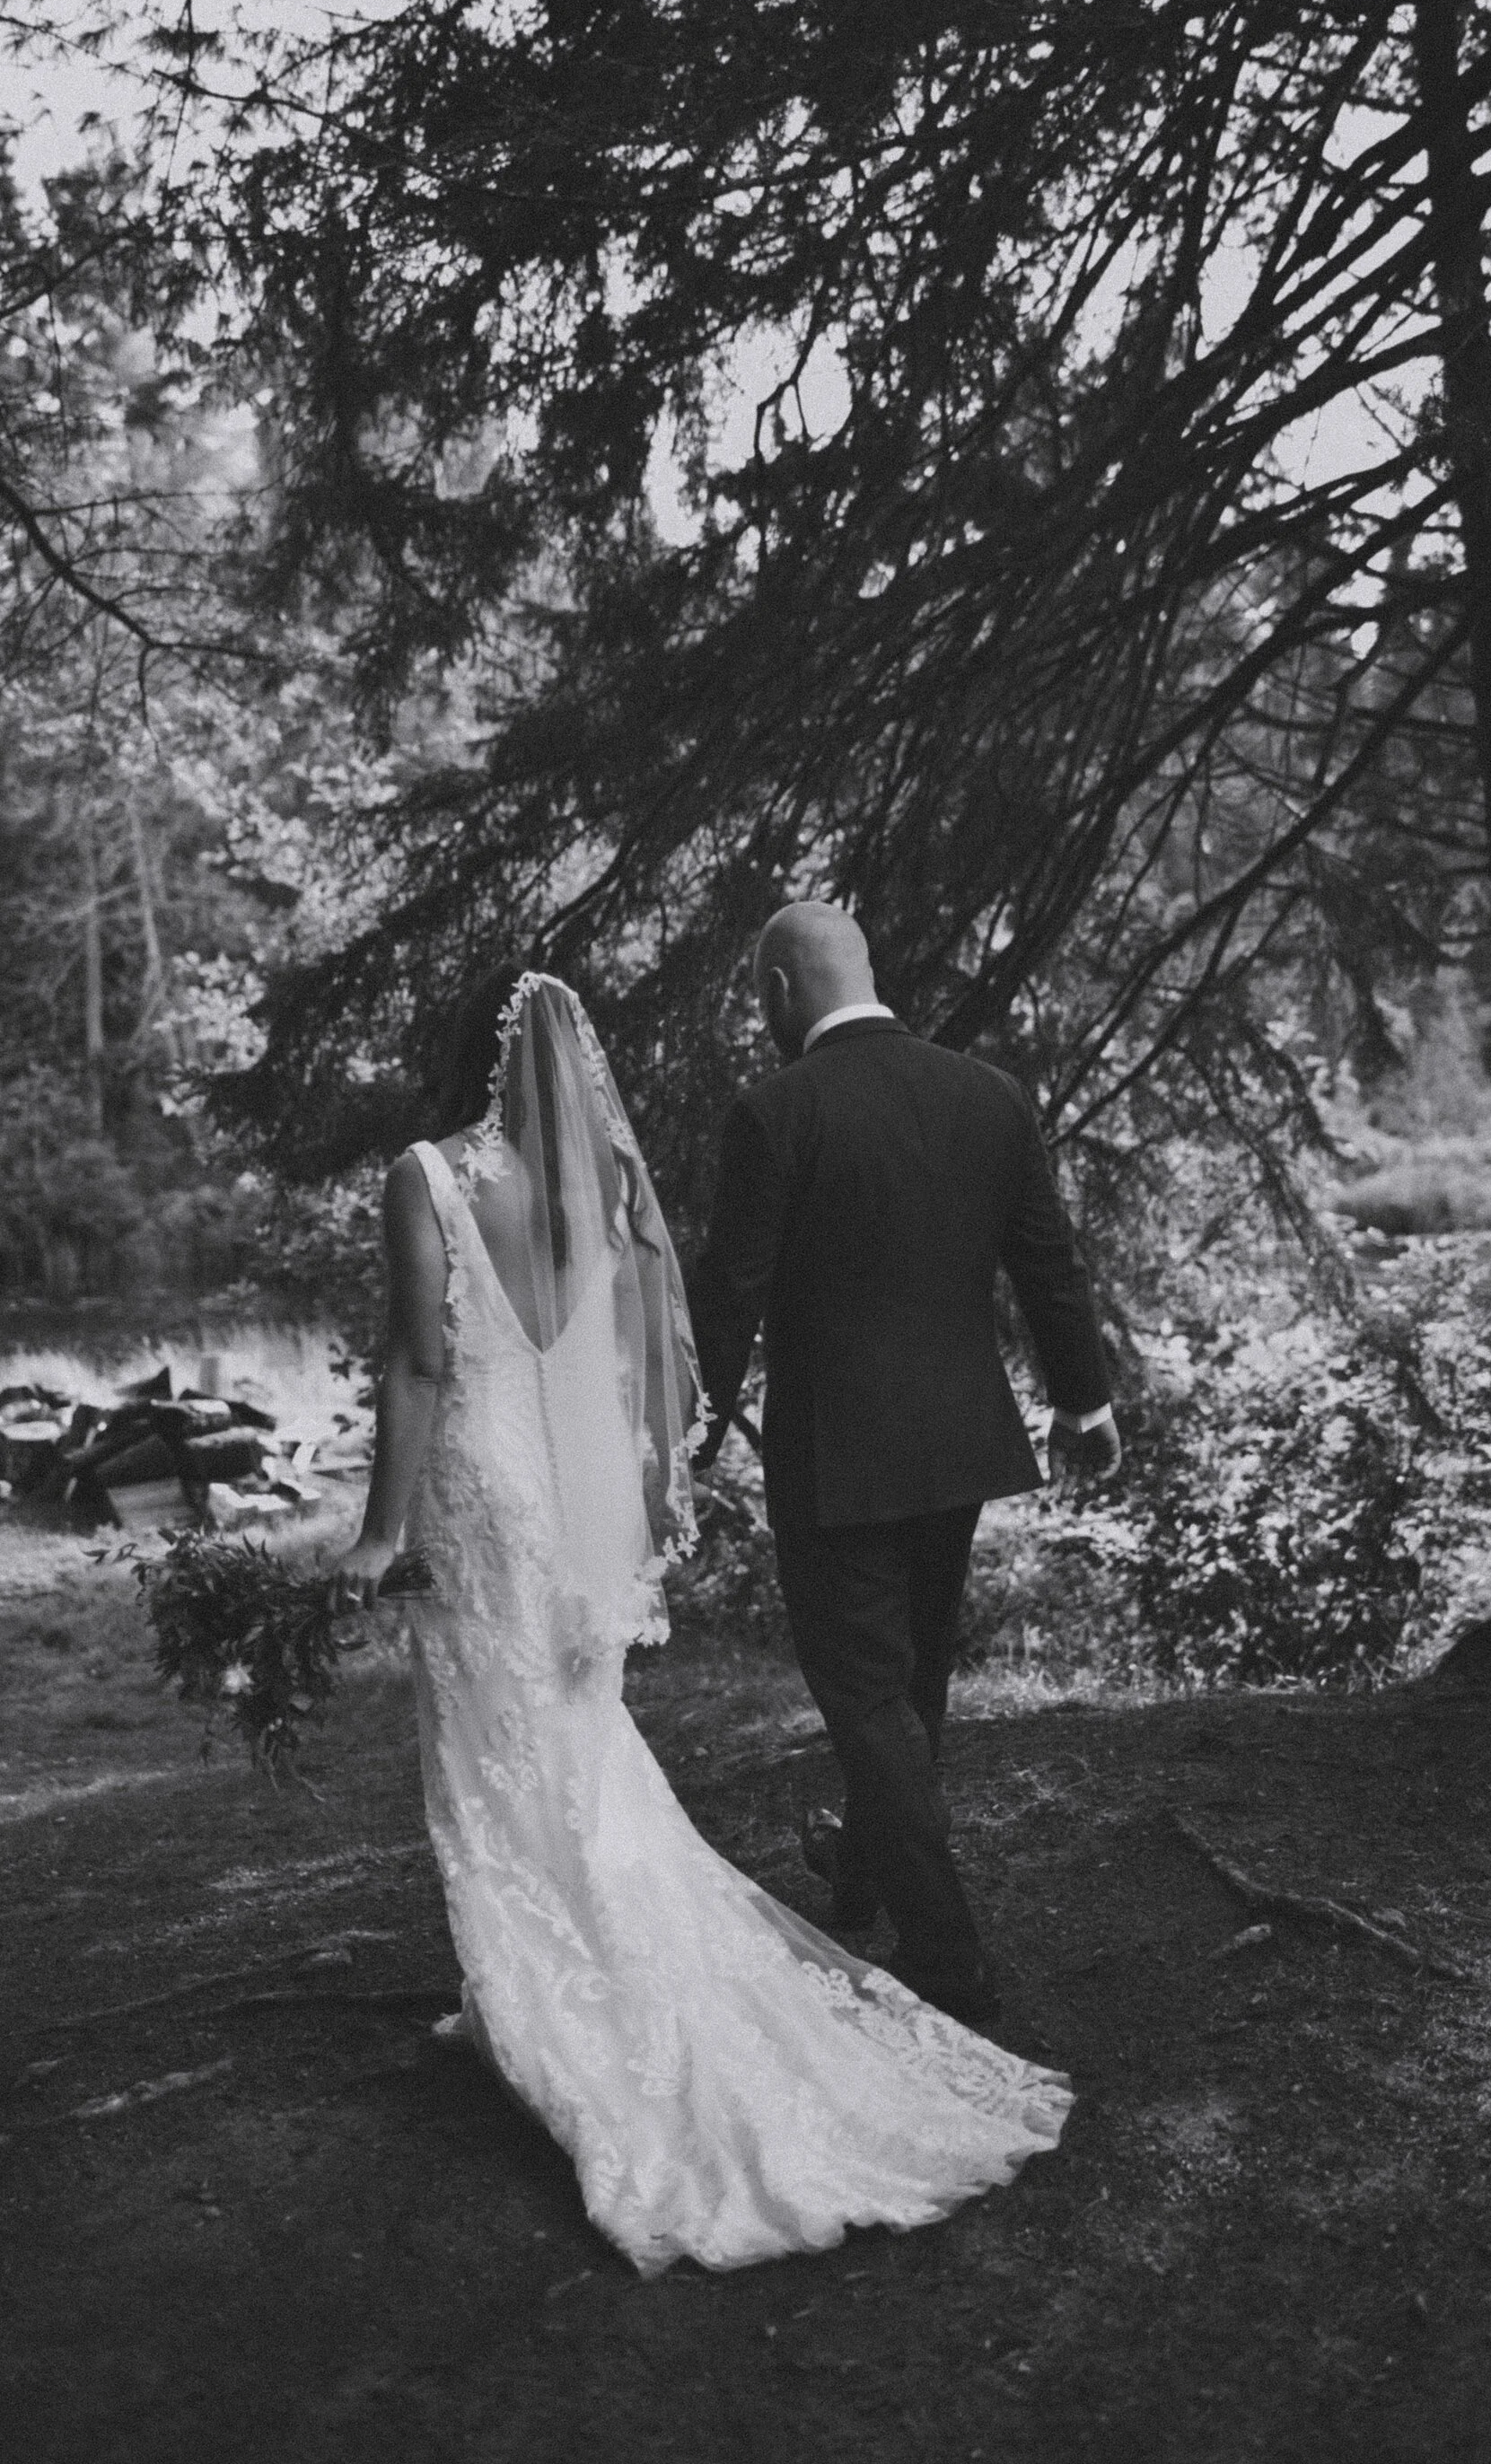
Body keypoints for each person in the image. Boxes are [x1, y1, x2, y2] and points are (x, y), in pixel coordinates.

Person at [344, 962, 1071, 2275]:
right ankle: (568, 1967)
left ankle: (548, 1997)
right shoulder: (599, 1190)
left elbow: (419, 1359)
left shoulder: (436, 1175)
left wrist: (379, 1530)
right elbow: (640, 1352)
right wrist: (654, 1480)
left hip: (488, 1488)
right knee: (600, 1734)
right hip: (611, 1499)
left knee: (502, 1738)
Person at [688, 902, 1120, 2028]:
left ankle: (947, 1957)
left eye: (757, 997)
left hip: (835, 1458)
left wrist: (681, 1442)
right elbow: (1047, 1264)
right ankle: (863, 1879)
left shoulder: (776, 1112)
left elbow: (727, 1295)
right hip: (959, 1442)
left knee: (870, 1699)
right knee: (910, 1682)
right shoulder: (987, 1096)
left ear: (781, 990)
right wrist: (1083, 1401)